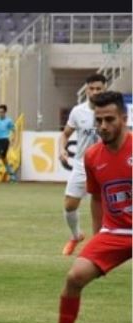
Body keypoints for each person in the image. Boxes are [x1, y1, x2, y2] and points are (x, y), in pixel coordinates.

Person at [41, 91, 132, 323]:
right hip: (114, 233)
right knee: (74, 277)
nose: (103, 126)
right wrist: (98, 238)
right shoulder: (92, 156)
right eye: (99, 120)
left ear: (124, 119)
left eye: (109, 120)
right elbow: (97, 197)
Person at [59, 74, 108, 256]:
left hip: (105, 165)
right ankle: (76, 235)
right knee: (69, 205)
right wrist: (62, 149)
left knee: (102, 206)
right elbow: (65, 134)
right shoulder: (77, 111)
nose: (95, 92)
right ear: (86, 90)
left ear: (105, 89)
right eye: (91, 88)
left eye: (98, 89)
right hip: (82, 164)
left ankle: (99, 246)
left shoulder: (111, 110)